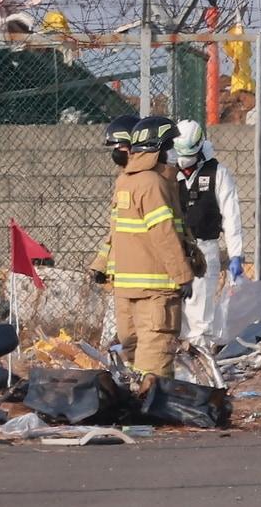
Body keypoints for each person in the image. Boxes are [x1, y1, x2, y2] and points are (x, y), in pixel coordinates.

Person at [97, 115, 194, 382]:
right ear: (158, 149)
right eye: (170, 146)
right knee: (155, 360)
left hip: (130, 288)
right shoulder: (152, 184)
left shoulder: (126, 181)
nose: (173, 152)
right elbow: (164, 235)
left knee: (135, 357)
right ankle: (151, 411)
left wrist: (100, 265)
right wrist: (183, 275)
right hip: (156, 290)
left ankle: (138, 407)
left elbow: (116, 233)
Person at [171, 120, 245, 349]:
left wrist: (236, 255)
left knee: (200, 311)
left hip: (205, 246)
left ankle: (199, 358)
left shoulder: (217, 173)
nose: (183, 160)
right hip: (174, 249)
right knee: (175, 311)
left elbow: (231, 215)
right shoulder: (168, 172)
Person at [88, 114, 140, 281]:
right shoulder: (123, 180)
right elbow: (115, 231)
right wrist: (101, 264)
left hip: (138, 270)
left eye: (120, 147)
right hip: (121, 273)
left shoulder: (145, 182)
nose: (116, 153)